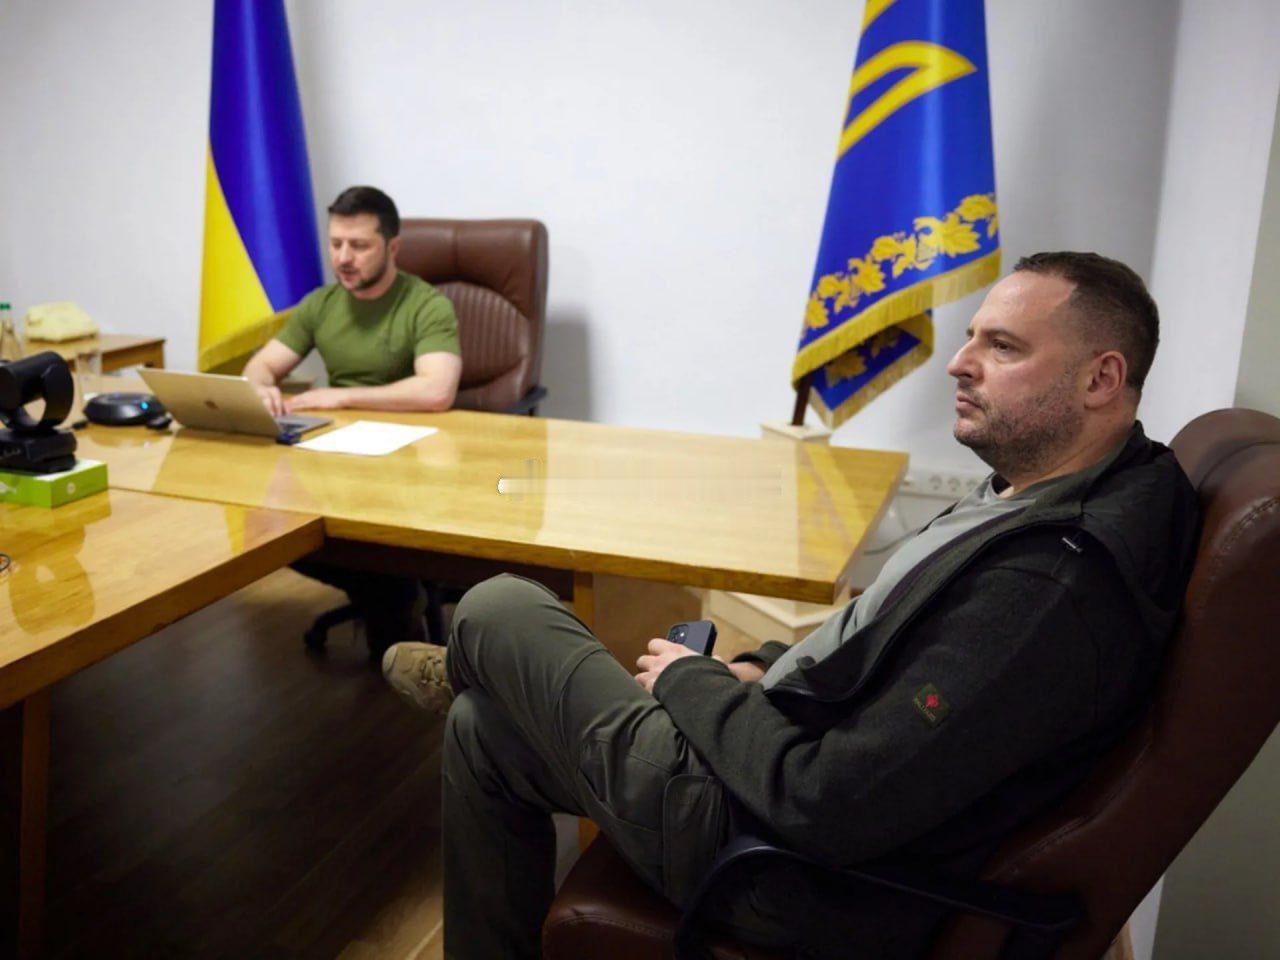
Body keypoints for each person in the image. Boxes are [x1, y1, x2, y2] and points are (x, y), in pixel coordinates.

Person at [381, 252, 1200, 959]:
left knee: (497, 606)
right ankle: (485, 686)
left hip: (782, 863)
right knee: (482, 732)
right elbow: (879, 638)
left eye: (1004, 346)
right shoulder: (1042, 492)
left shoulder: (1048, 587)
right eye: (971, 336)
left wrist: (694, 685)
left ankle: (475, 666)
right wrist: (758, 666)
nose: (959, 362)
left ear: (1101, 379)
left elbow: (829, 803)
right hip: (776, 768)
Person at [245, 185, 463, 657]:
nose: (343, 258)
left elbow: (436, 389)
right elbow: (260, 366)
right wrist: (260, 386)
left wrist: (340, 396)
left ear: (392, 247)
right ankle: (390, 602)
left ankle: (398, 630)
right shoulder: (320, 304)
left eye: (359, 245)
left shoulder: (426, 304)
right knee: (264, 519)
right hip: (336, 464)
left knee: (381, 572)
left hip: (410, 470)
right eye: (336, 243)